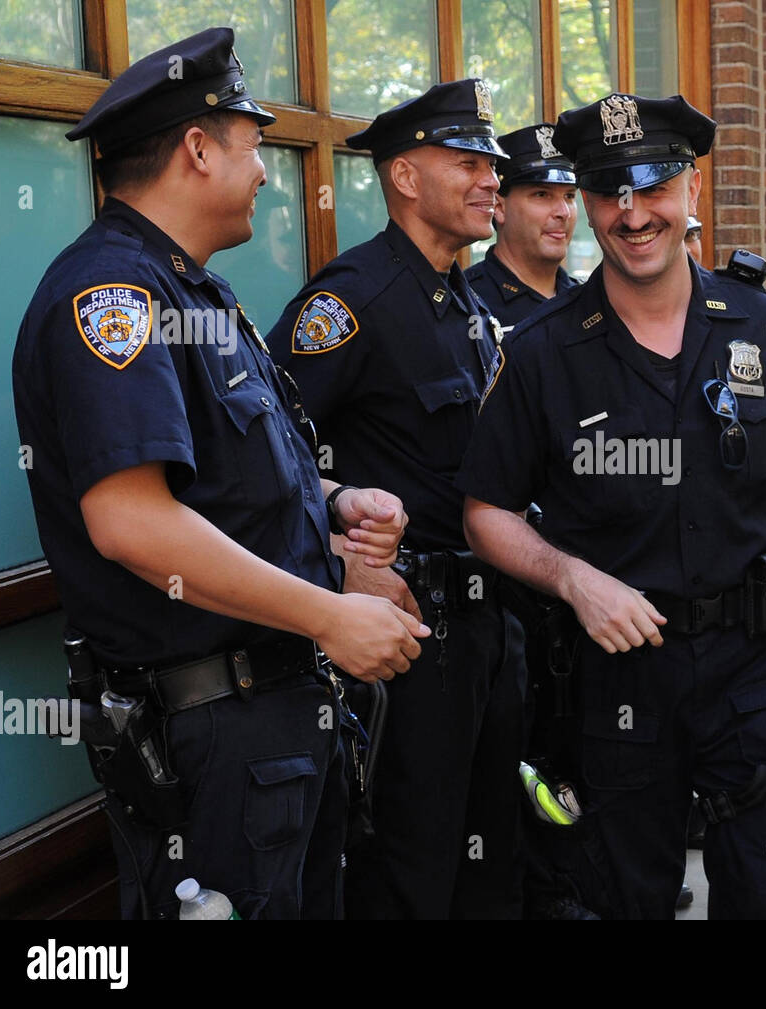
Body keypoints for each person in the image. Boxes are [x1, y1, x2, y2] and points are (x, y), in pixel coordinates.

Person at [11, 27, 428, 921]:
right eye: (253, 144)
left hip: (273, 714)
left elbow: (240, 479)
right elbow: (131, 521)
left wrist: (337, 505)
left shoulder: (194, 291)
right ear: (197, 149)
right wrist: (330, 614)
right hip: (210, 732)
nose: (272, 171)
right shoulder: (112, 298)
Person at [458, 93, 766, 919]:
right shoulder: (544, 353)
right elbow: (486, 512)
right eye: (609, 191)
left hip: (758, 666)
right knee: (625, 900)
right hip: (620, 676)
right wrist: (575, 580)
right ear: (589, 202)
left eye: (654, 186)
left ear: (691, 190)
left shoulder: (760, 329)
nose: (633, 214)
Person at [266, 79, 526, 920]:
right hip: (410, 640)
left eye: (492, 163)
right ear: (406, 178)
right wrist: (338, 558)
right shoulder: (352, 302)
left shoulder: (464, 295)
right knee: (412, 871)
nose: (492, 178)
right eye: (469, 163)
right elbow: (267, 454)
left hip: (492, 625)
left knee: (492, 861)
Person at [465, 123, 579, 334]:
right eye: (542, 195)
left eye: (570, 196)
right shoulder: (466, 303)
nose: (564, 212)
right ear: (499, 207)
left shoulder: (590, 299)